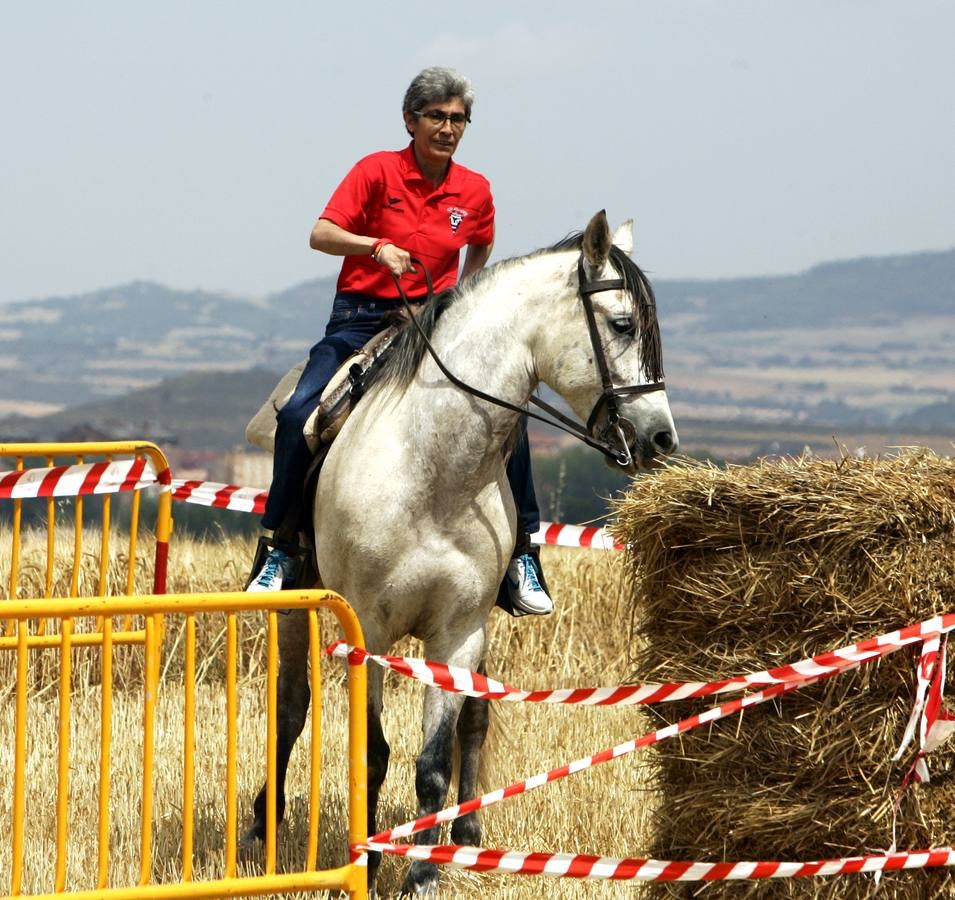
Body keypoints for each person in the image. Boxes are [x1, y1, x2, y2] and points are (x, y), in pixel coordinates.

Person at [248, 66, 552, 616]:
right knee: (296, 415)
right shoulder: (375, 170)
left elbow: (482, 244)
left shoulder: (475, 189)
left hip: (434, 324)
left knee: (507, 412)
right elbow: (320, 234)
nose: (448, 128)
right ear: (410, 120)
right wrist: (374, 247)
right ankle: (281, 550)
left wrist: (460, 296)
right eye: (436, 116)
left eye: (458, 119)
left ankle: (522, 555)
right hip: (361, 319)